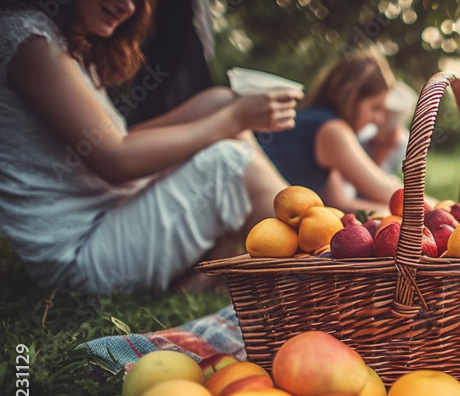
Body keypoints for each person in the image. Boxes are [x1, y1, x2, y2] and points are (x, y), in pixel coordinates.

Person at [0, 1, 301, 295]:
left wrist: (222, 110)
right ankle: (313, 268)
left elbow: (119, 140)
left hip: (114, 215)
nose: (129, 7)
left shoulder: (67, 44)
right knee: (232, 164)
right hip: (82, 253)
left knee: (218, 102)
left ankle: (298, 240)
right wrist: (235, 118)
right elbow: (115, 160)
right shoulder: (30, 40)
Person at [259, 52, 401, 213]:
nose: (379, 119)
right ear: (350, 97)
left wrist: (392, 214)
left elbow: (338, 203)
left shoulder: (314, 121)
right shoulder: (331, 130)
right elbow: (389, 193)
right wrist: (433, 208)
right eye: (375, 108)